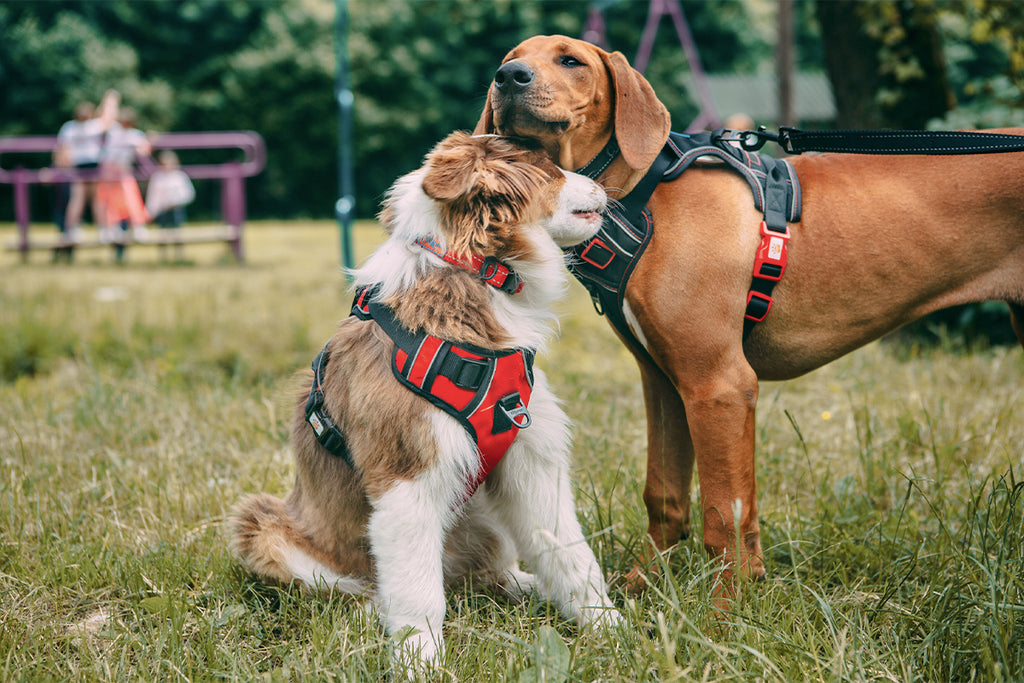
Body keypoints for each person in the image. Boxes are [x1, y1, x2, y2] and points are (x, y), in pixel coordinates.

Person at [96, 100, 152, 246]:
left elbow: (143, 151)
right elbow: (105, 118)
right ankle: (109, 229)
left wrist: (148, 144)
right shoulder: (114, 130)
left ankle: (137, 227)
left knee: (130, 199)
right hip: (109, 171)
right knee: (108, 201)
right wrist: (111, 100)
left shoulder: (135, 134)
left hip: (122, 171)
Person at [56, 98, 112, 244]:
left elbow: (63, 149)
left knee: (81, 199)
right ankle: (102, 230)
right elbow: (107, 119)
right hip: (89, 164)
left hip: (80, 165)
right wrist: (110, 100)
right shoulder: (93, 125)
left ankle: (73, 230)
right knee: (92, 200)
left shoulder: (69, 127)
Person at [145, 150, 195, 261]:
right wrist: (150, 211)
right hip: (162, 210)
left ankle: (179, 257)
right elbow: (153, 196)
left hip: (176, 209)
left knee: (177, 234)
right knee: (162, 234)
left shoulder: (180, 176)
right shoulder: (157, 177)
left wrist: (177, 201)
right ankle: (163, 258)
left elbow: (188, 194)